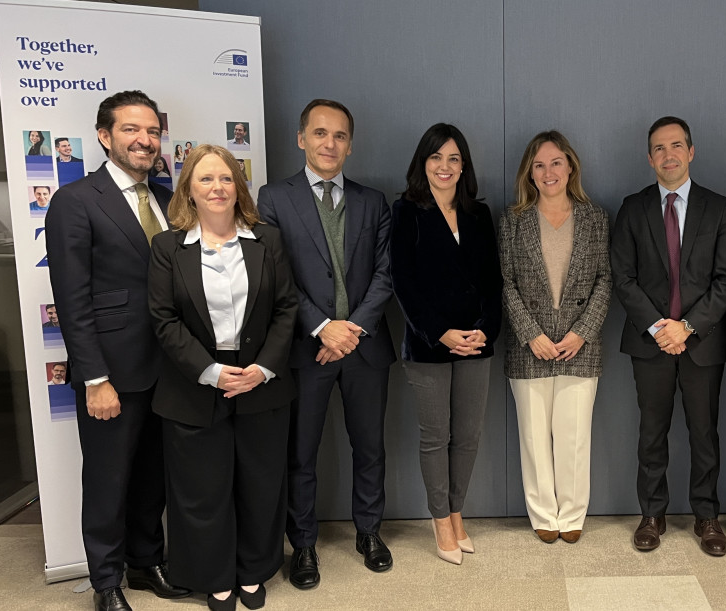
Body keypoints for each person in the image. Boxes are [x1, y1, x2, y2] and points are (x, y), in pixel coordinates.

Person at [44, 90, 189, 611]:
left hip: (169, 371)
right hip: (113, 374)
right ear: (105, 136)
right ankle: (106, 583)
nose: (145, 140)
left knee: (154, 477)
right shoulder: (75, 201)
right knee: (108, 483)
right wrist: (94, 377)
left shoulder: (168, 200)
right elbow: (73, 299)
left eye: (152, 131)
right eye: (131, 130)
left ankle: (146, 562)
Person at [148, 145, 297, 611]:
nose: (218, 188)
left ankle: (253, 570)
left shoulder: (267, 240)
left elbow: (286, 307)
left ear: (239, 187)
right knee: (201, 490)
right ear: (189, 190)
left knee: (260, 482)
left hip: (260, 378)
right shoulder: (167, 247)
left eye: (227, 179)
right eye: (206, 180)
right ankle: (214, 577)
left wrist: (263, 368)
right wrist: (211, 372)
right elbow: (164, 319)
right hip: (194, 383)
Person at [258, 99, 397, 586]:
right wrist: (322, 327)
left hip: (364, 347)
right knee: (302, 453)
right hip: (305, 348)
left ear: (350, 145)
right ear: (301, 139)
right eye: (319, 134)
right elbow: (276, 276)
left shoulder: (373, 201)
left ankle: (369, 532)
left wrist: (351, 328)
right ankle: (304, 545)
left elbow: (385, 273)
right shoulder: (273, 199)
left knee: (370, 448)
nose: (329, 144)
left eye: (339, 136)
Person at [610, 116, 726, 556]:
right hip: (650, 344)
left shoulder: (719, 208)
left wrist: (688, 326)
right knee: (652, 432)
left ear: (691, 151)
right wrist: (660, 328)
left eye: (677, 145)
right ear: (650, 158)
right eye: (659, 148)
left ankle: (707, 516)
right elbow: (622, 277)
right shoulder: (633, 207)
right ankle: (652, 513)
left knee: (705, 434)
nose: (669, 155)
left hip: (702, 342)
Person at [390, 123, 502, 565]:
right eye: (436, 157)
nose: (445, 166)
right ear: (423, 162)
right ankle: (440, 521)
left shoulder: (478, 214)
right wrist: (439, 332)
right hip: (428, 345)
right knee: (436, 437)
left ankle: (458, 512)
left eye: (454, 158)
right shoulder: (406, 210)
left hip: (476, 342)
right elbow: (404, 282)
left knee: (468, 436)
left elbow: (493, 283)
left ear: (464, 166)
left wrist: (483, 331)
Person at [500, 131, 610, 544]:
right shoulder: (512, 220)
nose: (549, 172)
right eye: (540, 164)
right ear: (530, 171)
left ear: (570, 167)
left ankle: (573, 513)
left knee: (574, 437)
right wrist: (531, 334)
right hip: (530, 347)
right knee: (533, 436)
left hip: (580, 347)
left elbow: (605, 280)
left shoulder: (595, 217)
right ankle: (544, 514)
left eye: (556, 163)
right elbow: (505, 284)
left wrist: (581, 332)